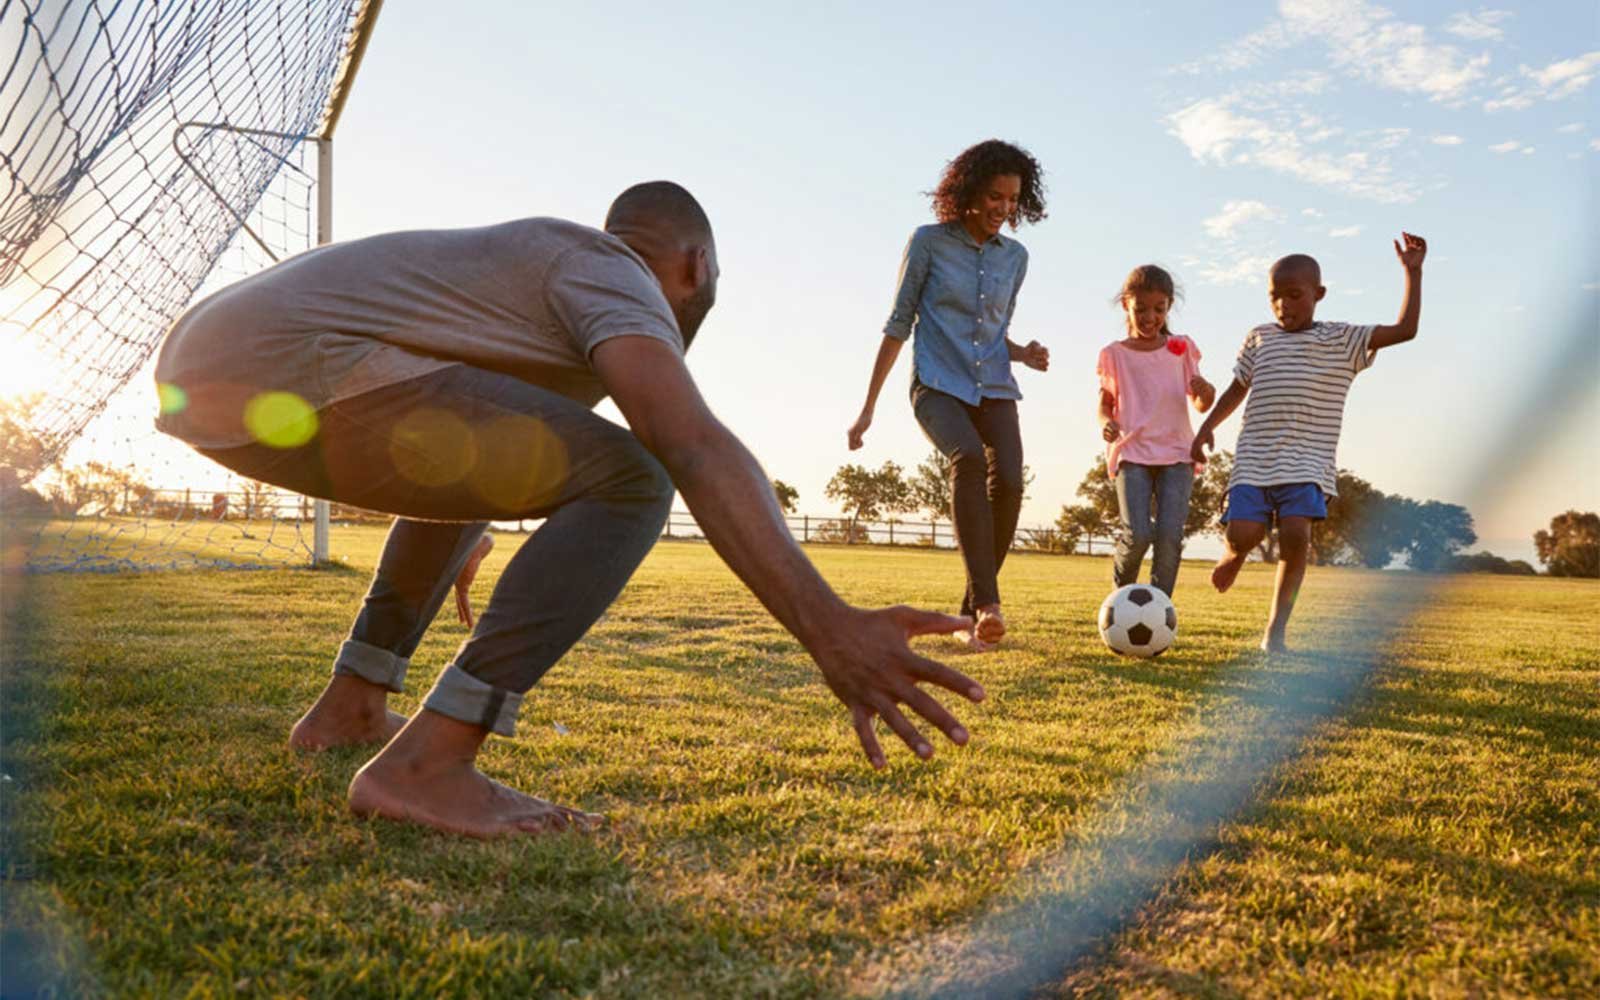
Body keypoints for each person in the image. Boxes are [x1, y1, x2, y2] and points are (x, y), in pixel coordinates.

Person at [153, 181, 987, 838]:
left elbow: (465, 439)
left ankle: (351, 708)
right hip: (285, 361)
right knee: (635, 478)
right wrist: (828, 626)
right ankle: (426, 768)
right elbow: (687, 440)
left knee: (532, 463)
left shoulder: (541, 291)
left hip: (214, 375)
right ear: (695, 265)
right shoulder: (607, 266)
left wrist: (466, 509)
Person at [846, 140, 1050, 652]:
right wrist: (868, 407)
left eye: (1012, 199)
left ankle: (971, 613)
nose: (1004, 209)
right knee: (968, 460)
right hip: (937, 384)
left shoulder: (1015, 258)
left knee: (1009, 480)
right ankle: (989, 604)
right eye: (994, 197)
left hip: (995, 386)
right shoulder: (928, 243)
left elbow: (990, 331)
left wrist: (1023, 352)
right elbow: (898, 324)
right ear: (968, 193)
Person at [1190, 233, 1428, 653]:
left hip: (1308, 463)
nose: (1283, 305)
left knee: (1296, 535)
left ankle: (1276, 631)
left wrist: (1413, 273)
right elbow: (1236, 388)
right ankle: (1234, 553)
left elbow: (1405, 330)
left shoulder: (1342, 340)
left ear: (1318, 294)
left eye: (1294, 295)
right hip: (1255, 460)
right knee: (1244, 533)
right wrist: (1207, 426)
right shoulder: (1259, 337)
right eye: (1274, 297)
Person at [1096, 264, 1215, 597]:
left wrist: (1207, 392)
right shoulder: (1114, 355)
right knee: (1137, 535)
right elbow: (1104, 404)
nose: (1150, 317)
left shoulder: (1181, 349)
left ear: (1169, 306)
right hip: (1132, 452)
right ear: (1126, 305)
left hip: (1177, 453)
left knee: (1168, 537)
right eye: (1141, 309)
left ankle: (1159, 607)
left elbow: (1200, 404)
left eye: (1158, 309)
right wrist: (1107, 423)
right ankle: (1120, 602)